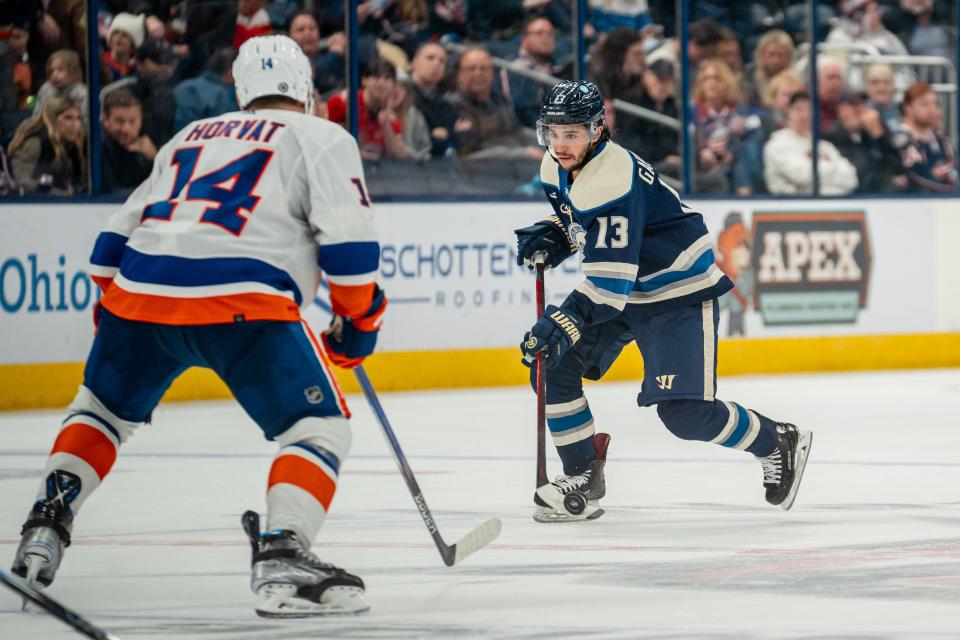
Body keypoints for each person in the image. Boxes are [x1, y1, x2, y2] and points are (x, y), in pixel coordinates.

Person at [11, 34, 385, 618]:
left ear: (240, 91)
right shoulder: (322, 136)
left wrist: (115, 312)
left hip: (139, 295)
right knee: (319, 427)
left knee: (101, 411)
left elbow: (108, 245)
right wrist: (360, 324)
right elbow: (352, 252)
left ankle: (45, 525)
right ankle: (284, 549)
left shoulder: (189, 135)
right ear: (307, 89)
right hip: (244, 303)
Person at [514, 80, 812, 522]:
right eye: (552, 133)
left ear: (598, 130)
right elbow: (589, 227)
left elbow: (609, 284)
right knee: (552, 365)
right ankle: (582, 474)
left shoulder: (613, 178)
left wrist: (564, 321)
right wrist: (559, 234)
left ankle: (776, 440)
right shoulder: (556, 166)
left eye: (572, 133)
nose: (559, 144)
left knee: (685, 416)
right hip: (628, 287)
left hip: (677, 292)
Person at [763, 91, 858, 195]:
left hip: (833, 207)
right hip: (791, 208)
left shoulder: (824, 146)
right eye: (799, 109)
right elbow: (803, 176)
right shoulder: (777, 145)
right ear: (788, 112)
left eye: (810, 110)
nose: (805, 115)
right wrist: (833, 167)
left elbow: (851, 179)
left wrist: (818, 171)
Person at [7, 94, 85, 195]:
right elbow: (22, 181)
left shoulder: (74, 145)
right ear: (52, 118)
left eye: (78, 118)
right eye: (68, 118)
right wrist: (60, 193)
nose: (75, 124)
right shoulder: (35, 143)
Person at [890, 82, 958, 193]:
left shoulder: (941, 140)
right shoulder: (899, 140)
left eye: (934, 104)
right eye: (925, 104)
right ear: (908, 108)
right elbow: (920, 180)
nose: (932, 109)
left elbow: (954, 169)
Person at [100, 89, 155, 195]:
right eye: (119, 121)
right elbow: (109, 192)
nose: (126, 129)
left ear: (141, 121)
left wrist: (155, 158)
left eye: (132, 121)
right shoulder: (98, 150)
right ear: (105, 120)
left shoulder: (148, 148)